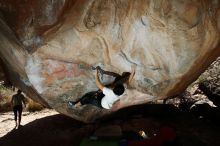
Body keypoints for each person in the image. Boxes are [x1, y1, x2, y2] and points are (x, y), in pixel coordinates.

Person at [68, 65, 136, 109]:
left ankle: (75, 105)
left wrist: (96, 74)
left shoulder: (110, 93)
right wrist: (133, 70)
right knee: (93, 93)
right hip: (106, 98)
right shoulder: (123, 90)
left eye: (113, 87)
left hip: (101, 103)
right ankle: (81, 101)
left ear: (113, 90)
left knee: (87, 98)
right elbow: (128, 80)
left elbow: (98, 84)